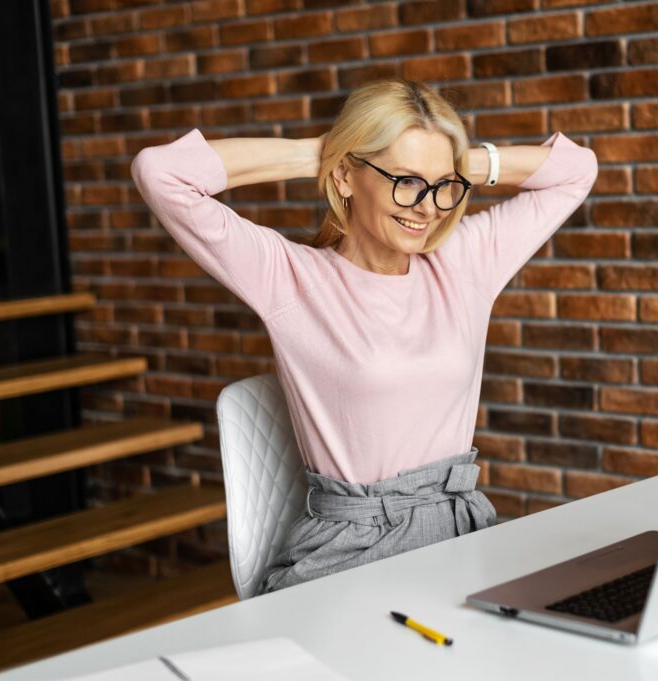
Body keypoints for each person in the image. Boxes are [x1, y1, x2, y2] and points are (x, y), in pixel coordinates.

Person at [130, 78, 599, 594]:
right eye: (405, 180)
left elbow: (577, 172)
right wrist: (328, 153)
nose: (428, 206)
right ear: (347, 176)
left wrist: (466, 163)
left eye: (443, 185)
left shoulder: (463, 261)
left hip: (461, 533)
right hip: (350, 551)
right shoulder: (288, 277)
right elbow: (161, 173)